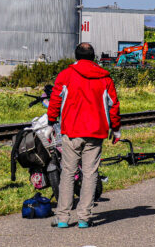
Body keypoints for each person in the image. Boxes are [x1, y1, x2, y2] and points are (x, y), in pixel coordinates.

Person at [47, 42, 121, 228]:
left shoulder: (66, 74)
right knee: (90, 173)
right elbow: (114, 104)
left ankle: (63, 217)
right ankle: (84, 217)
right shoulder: (105, 77)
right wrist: (116, 128)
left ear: (76, 55)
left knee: (68, 172)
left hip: (72, 131)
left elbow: (55, 99)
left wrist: (50, 121)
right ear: (94, 56)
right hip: (96, 131)